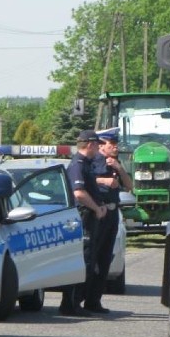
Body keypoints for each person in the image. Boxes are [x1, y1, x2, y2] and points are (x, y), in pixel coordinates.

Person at [87, 128, 134, 314]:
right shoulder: (92, 162)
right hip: (98, 212)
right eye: (112, 145)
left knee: (105, 258)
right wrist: (103, 182)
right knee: (92, 257)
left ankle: (94, 301)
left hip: (113, 213)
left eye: (116, 144)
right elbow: (83, 181)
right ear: (101, 145)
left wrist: (119, 169)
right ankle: (82, 298)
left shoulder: (115, 163)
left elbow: (129, 186)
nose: (115, 147)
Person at [62, 129, 107, 317]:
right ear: (90, 144)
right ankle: (70, 304)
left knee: (89, 260)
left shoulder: (86, 164)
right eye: (97, 144)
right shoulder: (78, 165)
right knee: (82, 260)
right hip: (84, 217)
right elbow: (79, 193)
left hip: (90, 217)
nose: (99, 147)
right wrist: (97, 209)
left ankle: (77, 302)